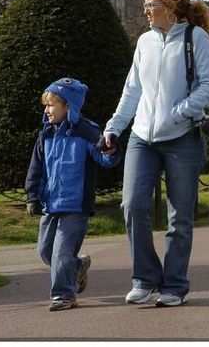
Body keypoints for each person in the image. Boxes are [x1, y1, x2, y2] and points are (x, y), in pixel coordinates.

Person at [103, 0, 209, 307]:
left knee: (179, 217)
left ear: (170, 6)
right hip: (142, 137)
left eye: (151, 5)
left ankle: (175, 285)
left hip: (182, 139)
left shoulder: (196, 39)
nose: (146, 11)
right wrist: (114, 128)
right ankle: (145, 278)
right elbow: (132, 91)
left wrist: (180, 112)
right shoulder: (144, 42)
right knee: (132, 205)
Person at [25, 77, 121, 311]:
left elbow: (105, 158)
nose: (46, 110)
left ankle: (64, 295)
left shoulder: (86, 131)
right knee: (46, 251)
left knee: (61, 253)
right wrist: (32, 196)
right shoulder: (46, 134)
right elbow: (36, 168)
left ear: (68, 105)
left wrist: (110, 149)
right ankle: (78, 266)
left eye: (51, 105)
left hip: (76, 206)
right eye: (45, 105)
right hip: (50, 203)